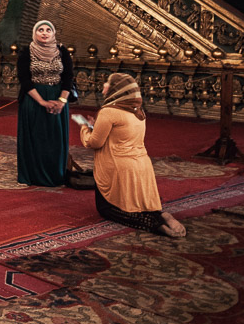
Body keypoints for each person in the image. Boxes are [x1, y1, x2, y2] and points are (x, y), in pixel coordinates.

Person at [77, 72, 186, 237]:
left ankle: (156, 226)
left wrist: (85, 128)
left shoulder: (108, 112)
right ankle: (163, 215)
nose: (104, 86)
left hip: (118, 168)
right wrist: (96, 125)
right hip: (141, 166)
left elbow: (94, 143)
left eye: (108, 83)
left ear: (116, 89)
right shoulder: (138, 110)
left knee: (107, 210)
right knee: (141, 206)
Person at [16, 20, 75, 186]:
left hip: (58, 98)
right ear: (34, 33)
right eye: (40, 30)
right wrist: (42, 102)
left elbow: (68, 77)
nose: (44, 33)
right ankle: (33, 175)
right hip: (33, 98)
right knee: (36, 137)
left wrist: (62, 101)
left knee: (55, 137)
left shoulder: (62, 51)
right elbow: (25, 80)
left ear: (53, 33)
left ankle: (56, 174)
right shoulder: (26, 52)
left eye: (48, 30)